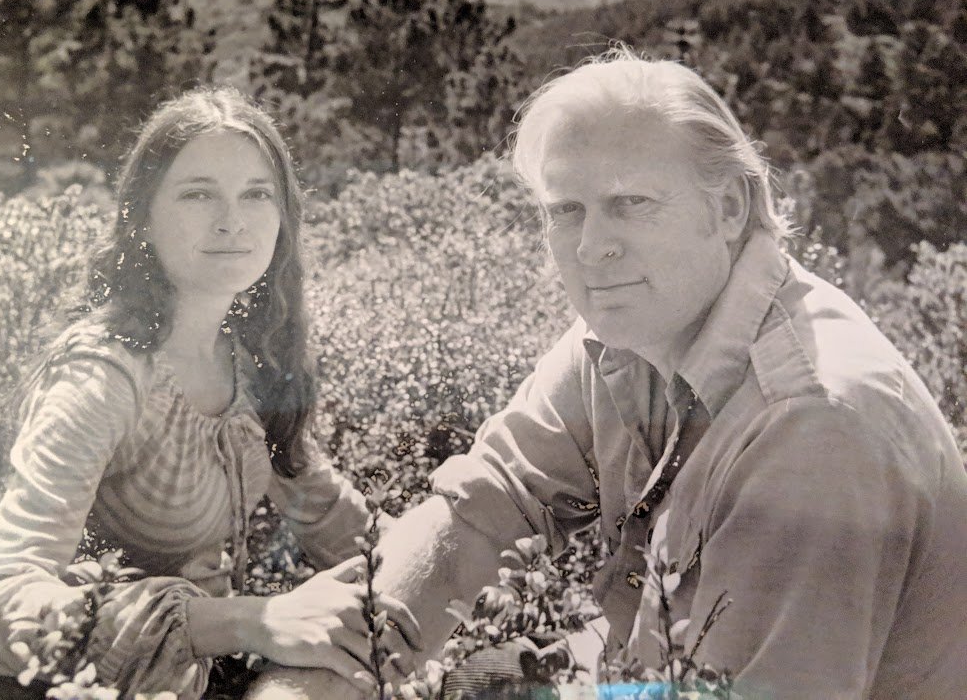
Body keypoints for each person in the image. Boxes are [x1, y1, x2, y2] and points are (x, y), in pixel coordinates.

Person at [245, 48, 967, 700]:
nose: (592, 247)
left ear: (729, 205)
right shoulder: (631, 333)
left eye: (631, 204)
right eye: (566, 210)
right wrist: (312, 677)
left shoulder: (810, 428)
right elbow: (483, 505)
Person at [0, 87, 419, 700]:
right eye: (199, 194)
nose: (233, 220)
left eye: (257, 194)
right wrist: (252, 622)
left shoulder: (253, 361)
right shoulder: (105, 378)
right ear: (142, 218)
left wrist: (453, 578)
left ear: (283, 219)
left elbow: (335, 521)